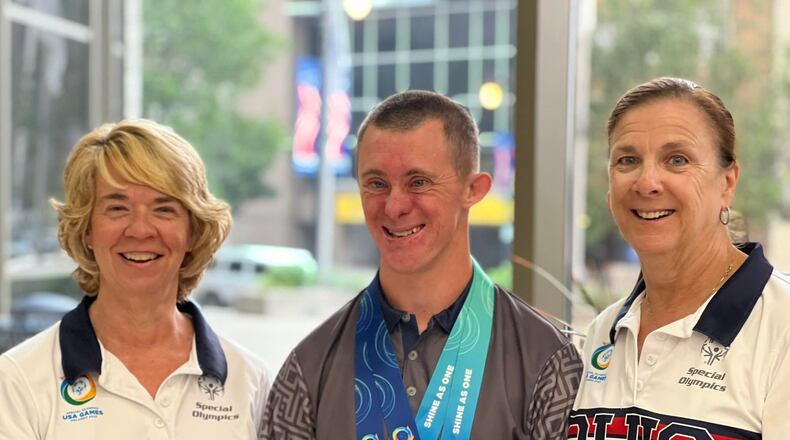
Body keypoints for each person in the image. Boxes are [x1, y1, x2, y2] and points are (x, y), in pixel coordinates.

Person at [261, 90, 582, 440]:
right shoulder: (308, 367)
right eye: (377, 184)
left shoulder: (546, 360)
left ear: (473, 189)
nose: (395, 206)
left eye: (419, 182)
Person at [0, 120, 270, 439]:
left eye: (164, 209)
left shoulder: (250, 381)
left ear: (194, 231)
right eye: (117, 208)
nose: (140, 230)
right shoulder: (18, 380)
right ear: (86, 229)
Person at [568, 77, 790, 439]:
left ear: (727, 182)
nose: (647, 182)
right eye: (627, 160)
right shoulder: (605, 333)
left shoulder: (782, 327)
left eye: (677, 159)